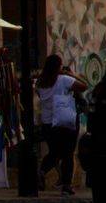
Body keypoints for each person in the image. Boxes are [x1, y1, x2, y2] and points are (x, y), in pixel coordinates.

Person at [36, 55, 87, 195]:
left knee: (55, 152)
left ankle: (42, 171)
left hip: (48, 123)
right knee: (68, 154)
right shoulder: (64, 79)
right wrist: (71, 74)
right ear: (58, 67)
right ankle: (66, 185)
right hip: (64, 122)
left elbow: (41, 96)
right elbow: (84, 86)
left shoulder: (40, 83)